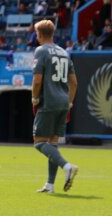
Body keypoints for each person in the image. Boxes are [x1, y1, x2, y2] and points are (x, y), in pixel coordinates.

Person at [31, 20, 79, 193]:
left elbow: (37, 80)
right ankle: (50, 185)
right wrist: (70, 102)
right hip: (63, 102)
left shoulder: (41, 51)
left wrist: (34, 99)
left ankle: (67, 167)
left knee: (39, 142)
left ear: (39, 34)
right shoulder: (64, 52)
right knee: (53, 143)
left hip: (49, 101)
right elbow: (74, 82)